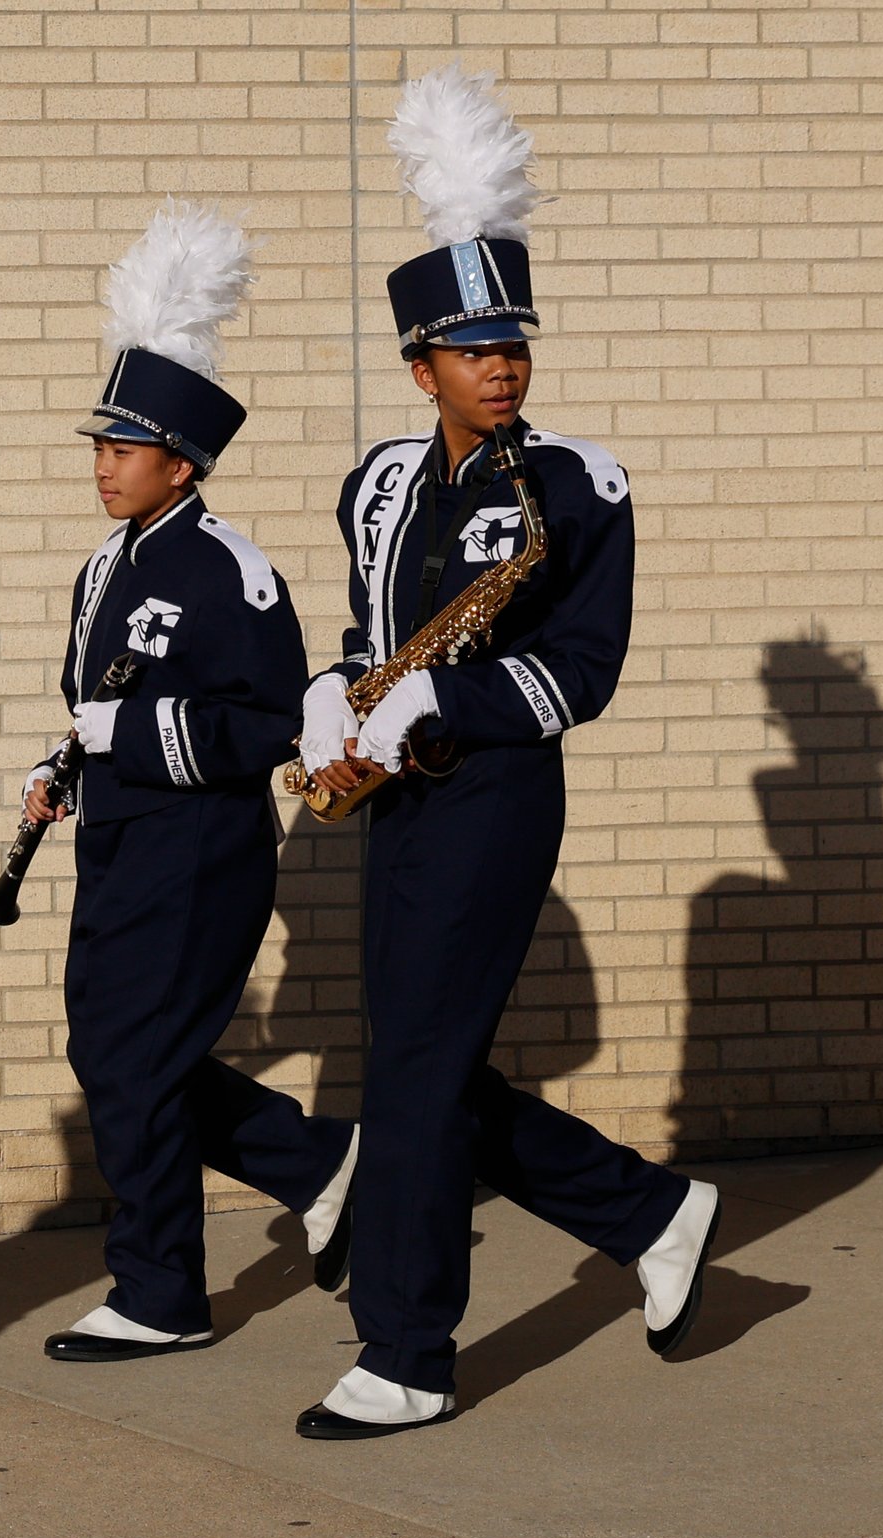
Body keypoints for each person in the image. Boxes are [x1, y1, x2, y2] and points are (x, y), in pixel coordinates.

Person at [293, 69, 717, 1439]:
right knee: (423, 1061)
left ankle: (410, 1347)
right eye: (473, 347)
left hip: (496, 793)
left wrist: (451, 709)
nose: (504, 363)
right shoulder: (374, 481)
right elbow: (367, 627)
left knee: (409, 1071)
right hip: (398, 794)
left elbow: (583, 670)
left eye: (514, 342)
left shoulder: (579, 483)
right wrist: (338, 702)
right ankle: (648, 1207)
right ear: (422, 365)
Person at [29, 205, 359, 1366]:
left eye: (123, 449)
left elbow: (263, 722)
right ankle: (315, 1162)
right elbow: (92, 701)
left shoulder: (232, 570)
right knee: (115, 1055)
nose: (103, 464)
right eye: (100, 446)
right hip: (120, 841)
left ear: (183, 461)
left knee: (130, 1062)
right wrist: (63, 763)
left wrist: (129, 731)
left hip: (201, 846)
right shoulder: (102, 565)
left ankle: (161, 1288)